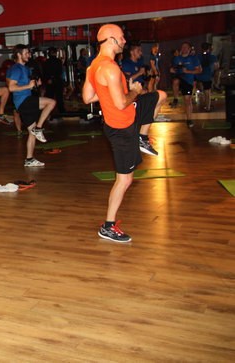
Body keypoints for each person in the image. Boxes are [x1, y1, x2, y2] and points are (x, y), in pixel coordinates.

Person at [82, 24, 167, 243]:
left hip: (129, 116)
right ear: (111, 40)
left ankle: (142, 137)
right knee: (125, 180)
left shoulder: (93, 66)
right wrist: (134, 91)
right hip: (121, 127)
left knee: (160, 95)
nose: (124, 41)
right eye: (121, 38)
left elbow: (88, 98)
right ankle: (108, 226)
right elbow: (121, 104)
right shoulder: (109, 68)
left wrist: (113, 92)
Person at [6, 44, 56, 167]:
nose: (29, 55)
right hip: (23, 101)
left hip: (25, 101)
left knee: (31, 133)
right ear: (19, 54)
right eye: (26, 53)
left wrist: (35, 84)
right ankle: (39, 128)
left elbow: (26, 85)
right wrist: (28, 86)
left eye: (29, 53)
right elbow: (11, 87)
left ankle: (29, 159)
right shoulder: (16, 68)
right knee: (51, 102)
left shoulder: (26, 68)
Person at [170, 42, 202, 128]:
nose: (183, 49)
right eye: (182, 47)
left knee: (187, 100)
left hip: (188, 80)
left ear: (189, 49)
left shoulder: (193, 58)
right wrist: (172, 70)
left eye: (186, 47)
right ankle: (175, 99)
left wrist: (188, 71)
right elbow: (173, 68)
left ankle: (189, 119)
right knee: (175, 81)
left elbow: (199, 70)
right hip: (179, 77)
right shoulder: (177, 58)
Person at [42, 47, 66, 116]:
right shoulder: (58, 61)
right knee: (59, 97)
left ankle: (49, 112)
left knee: (50, 97)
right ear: (55, 53)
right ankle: (61, 111)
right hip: (57, 80)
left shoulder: (46, 62)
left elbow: (45, 72)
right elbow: (60, 71)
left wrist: (48, 79)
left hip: (49, 81)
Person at [196, 42, 218, 112]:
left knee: (201, 91)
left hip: (198, 76)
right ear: (209, 48)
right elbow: (216, 67)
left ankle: (203, 103)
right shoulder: (212, 57)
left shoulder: (198, 56)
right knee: (207, 92)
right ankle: (207, 107)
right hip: (207, 76)